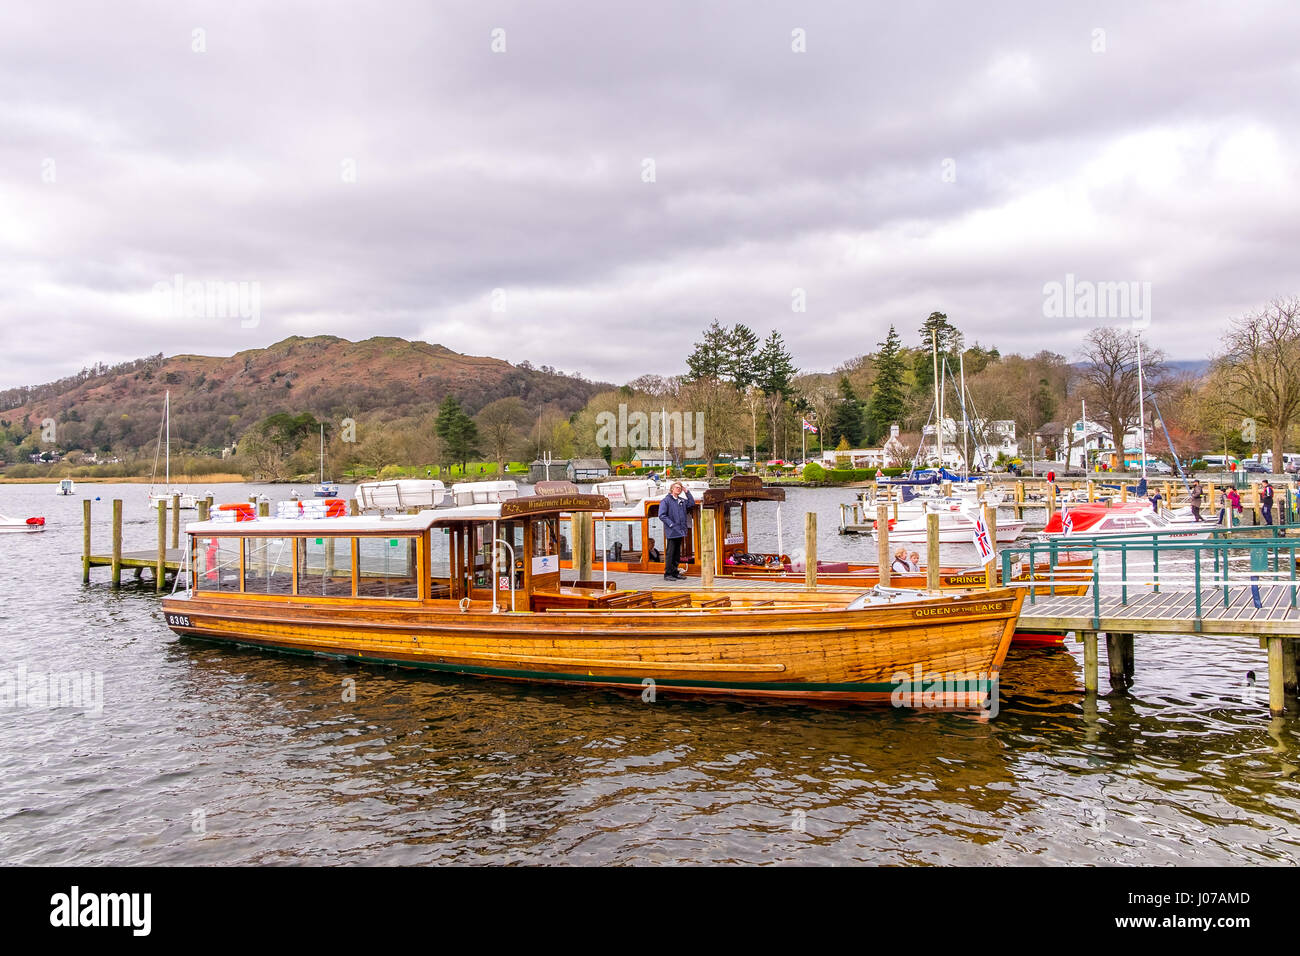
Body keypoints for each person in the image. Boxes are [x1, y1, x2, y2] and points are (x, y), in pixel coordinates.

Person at [658, 482, 694, 580]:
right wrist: (671, 524)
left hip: (680, 531)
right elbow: (662, 515)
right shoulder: (666, 501)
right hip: (672, 531)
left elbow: (691, 503)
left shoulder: (681, 500)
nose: (679, 489)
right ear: (672, 489)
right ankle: (668, 574)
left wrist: (687, 492)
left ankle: (675, 572)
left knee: (677, 553)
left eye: (680, 488)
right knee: (670, 553)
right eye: (677, 488)